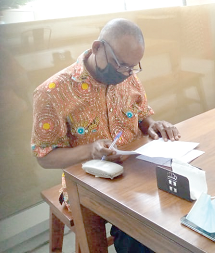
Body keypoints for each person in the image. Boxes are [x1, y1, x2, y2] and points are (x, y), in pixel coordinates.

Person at [31, 18, 180, 253]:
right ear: (97, 48)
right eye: (120, 65)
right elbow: (44, 157)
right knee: (141, 230)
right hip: (89, 184)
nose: (126, 73)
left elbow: (141, 116)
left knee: (178, 206)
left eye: (133, 67)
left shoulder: (127, 75)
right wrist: (90, 150)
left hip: (135, 170)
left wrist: (153, 125)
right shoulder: (52, 93)